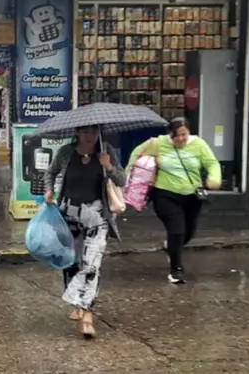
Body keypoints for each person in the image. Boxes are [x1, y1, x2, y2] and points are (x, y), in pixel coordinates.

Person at [43, 126, 126, 339]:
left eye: (94, 131)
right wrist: (49, 190)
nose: (90, 136)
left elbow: (122, 180)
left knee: (91, 266)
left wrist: (108, 166)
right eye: (86, 132)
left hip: (97, 216)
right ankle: (77, 303)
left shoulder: (106, 151)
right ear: (78, 132)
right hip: (68, 214)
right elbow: (50, 173)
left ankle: (87, 314)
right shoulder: (66, 152)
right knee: (71, 262)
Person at [127, 117, 221, 284]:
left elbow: (211, 163)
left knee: (188, 232)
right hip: (165, 194)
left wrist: (214, 178)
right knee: (177, 230)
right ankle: (176, 269)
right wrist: (128, 177)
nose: (181, 139)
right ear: (169, 134)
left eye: (184, 135)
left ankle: (171, 246)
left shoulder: (199, 144)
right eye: (176, 136)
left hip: (192, 195)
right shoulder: (157, 144)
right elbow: (136, 154)